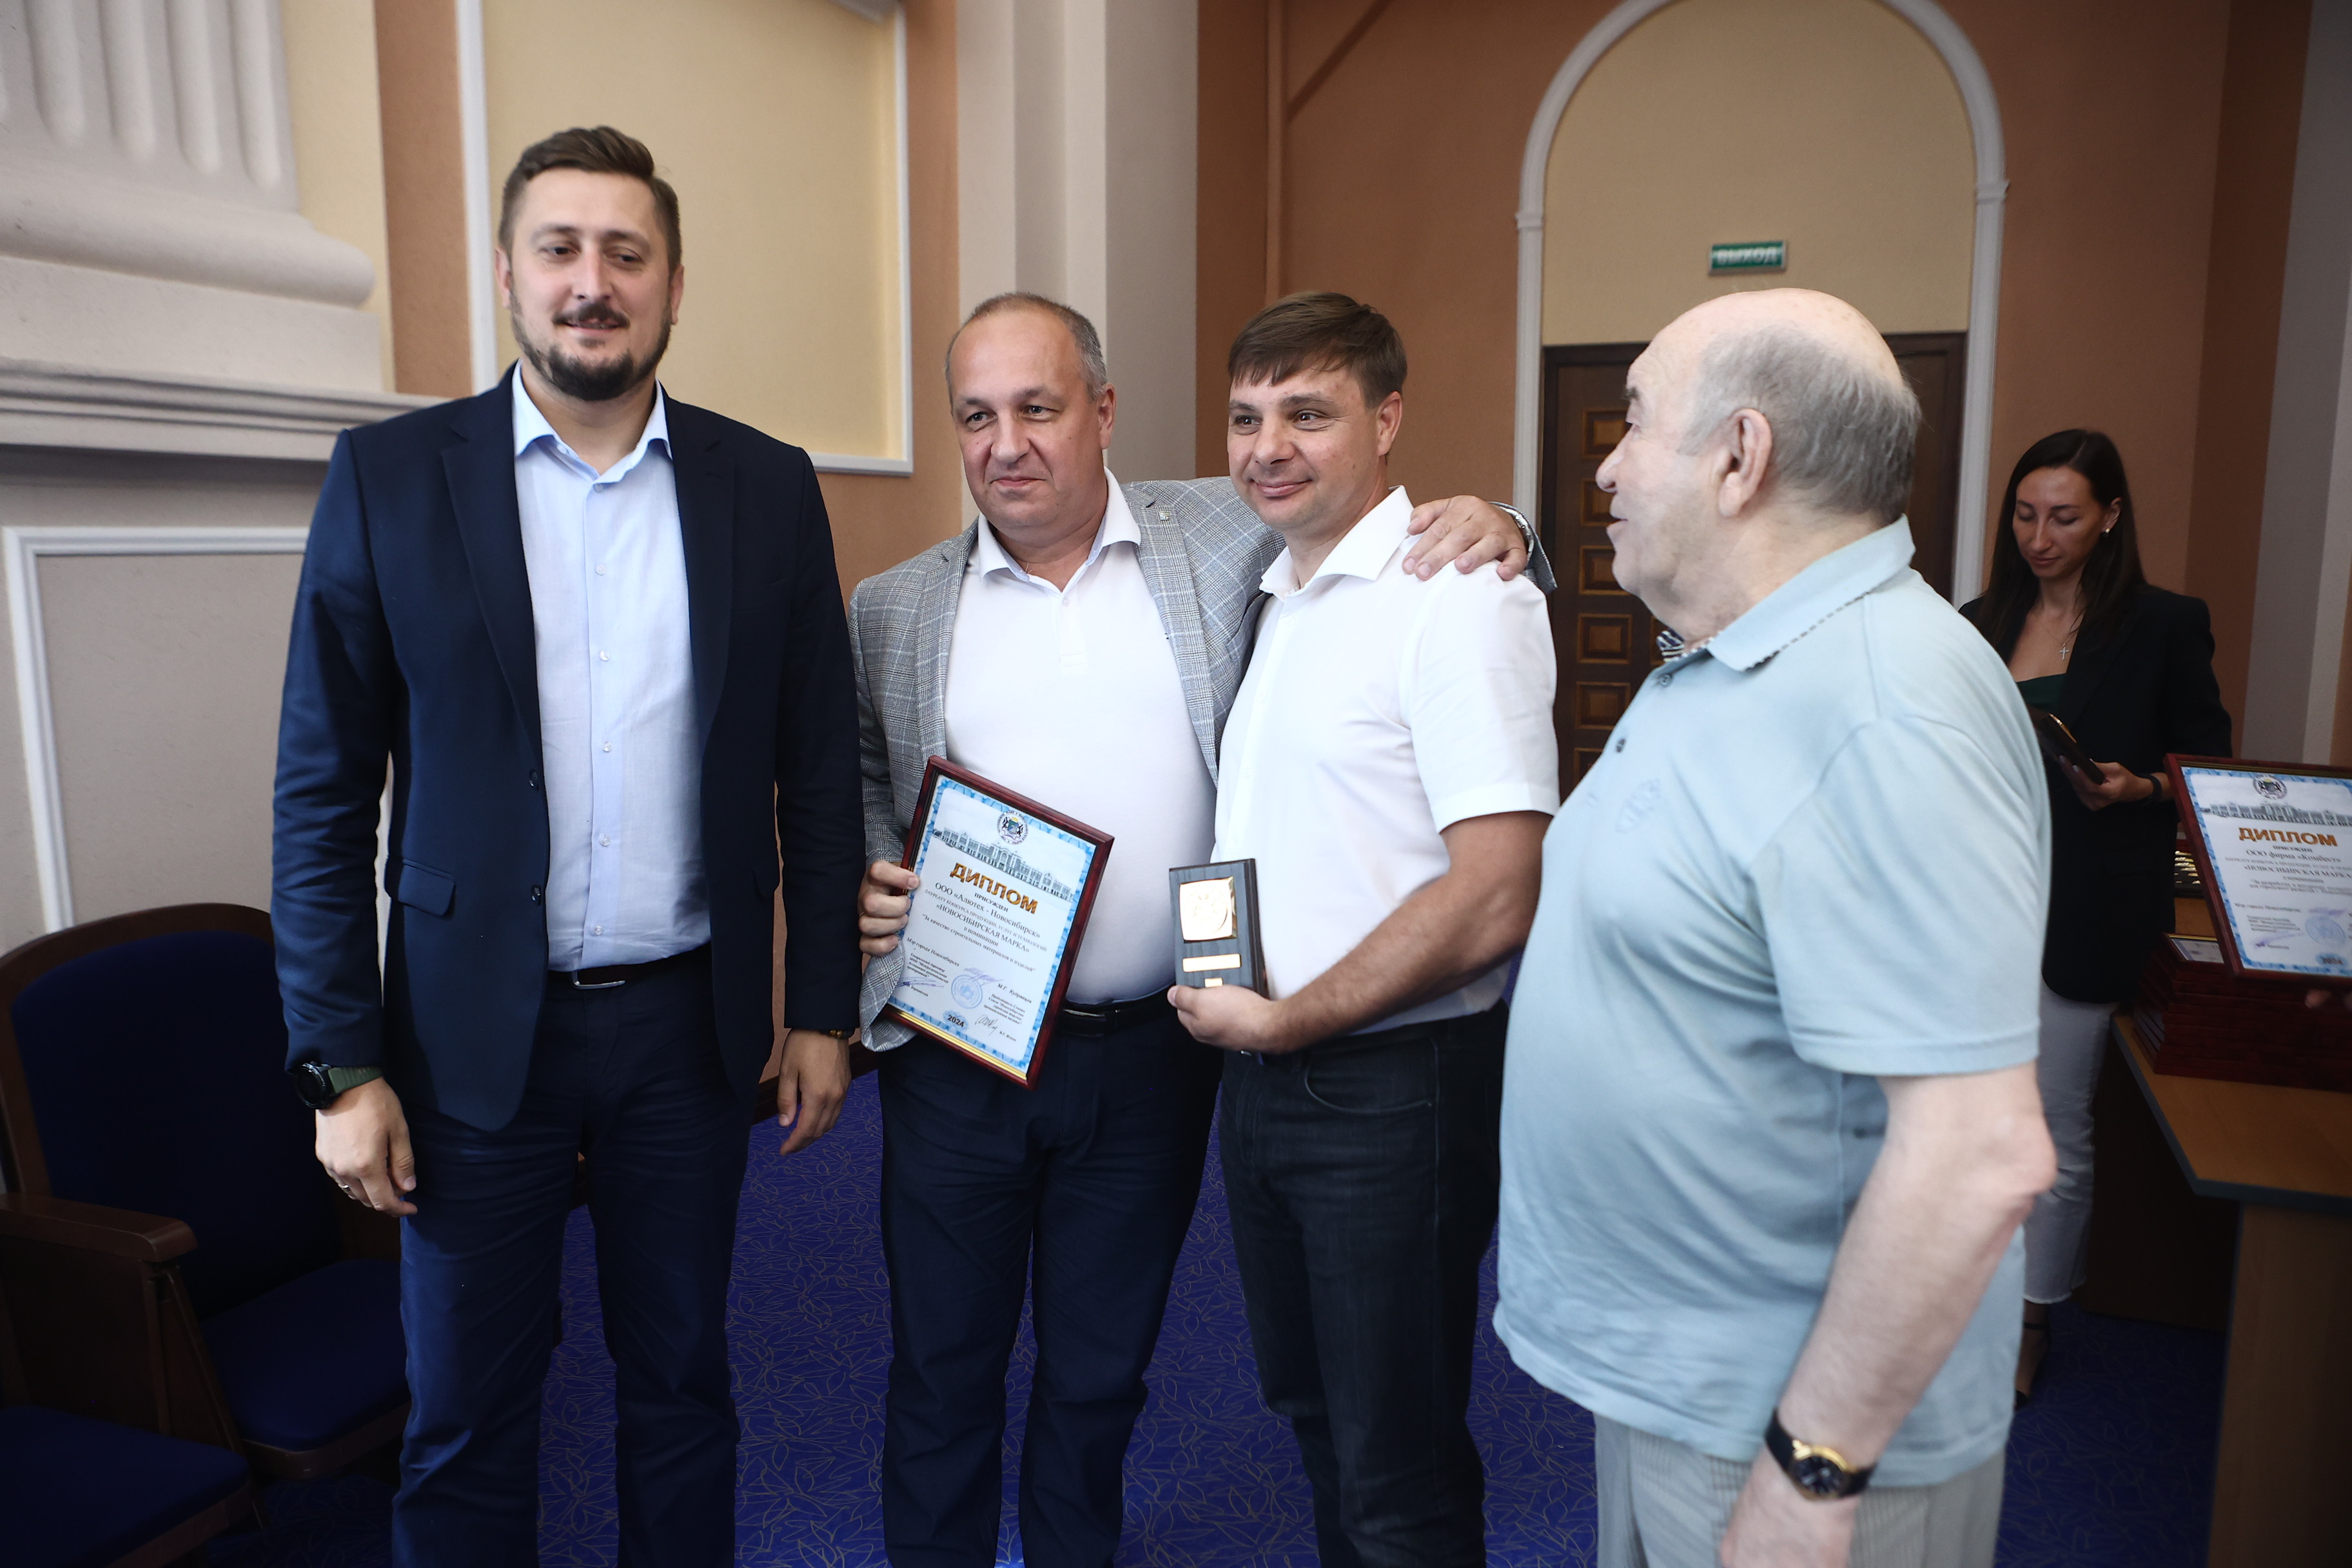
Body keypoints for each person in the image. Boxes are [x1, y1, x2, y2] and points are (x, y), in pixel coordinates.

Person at [849, 291, 1542, 1568]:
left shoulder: (1224, 531)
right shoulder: (893, 606)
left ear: (1104, 411)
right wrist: (865, 872)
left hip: (1156, 1055)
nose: (1008, 443)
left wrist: (1512, 525)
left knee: (1100, 1371)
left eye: (1039, 408)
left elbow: (1381, 524)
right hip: (962, 1052)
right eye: (977, 416)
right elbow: (855, 780)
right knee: (940, 1367)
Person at [272, 126, 863, 1566]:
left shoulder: (766, 486)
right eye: (559, 249)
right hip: (468, 1041)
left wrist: (821, 1009)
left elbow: (814, 771)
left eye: (626, 253)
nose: (591, 282)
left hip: (686, 1033)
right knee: (466, 1415)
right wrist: (340, 1062)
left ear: (673, 285)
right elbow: (320, 795)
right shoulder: (389, 478)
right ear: (507, 273)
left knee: (682, 1385)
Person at [1493, 288, 2059, 1568]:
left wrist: (1812, 1472)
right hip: (1686, 1391)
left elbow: (1977, 1152)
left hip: (1793, 1435)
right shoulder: (1739, 653)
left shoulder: (1885, 706)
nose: (1606, 465)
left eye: (1637, 422)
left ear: (1741, 456)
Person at [1166, 292, 1558, 1568]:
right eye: (1246, 418)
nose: (1268, 448)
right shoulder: (1270, 589)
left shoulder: (1458, 595)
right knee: (1317, 1419)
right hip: (1265, 1077)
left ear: (1389, 421)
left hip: (1391, 1088)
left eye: (1309, 414)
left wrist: (1290, 1019)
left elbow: (1497, 893)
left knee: (1397, 1470)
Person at [1959, 430, 2231, 1405]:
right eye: (2026, 515)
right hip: (1978, 901)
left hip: (2086, 906)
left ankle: (2033, 1321)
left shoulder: (2164, 625)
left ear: (2111, 517)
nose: (2040, 538)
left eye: (2065, 517)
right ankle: (1965, 1299)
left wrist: (2136, 787)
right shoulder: (1980, 622)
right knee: (1961, 1118)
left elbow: (2206, 765)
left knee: (2053, 1125)